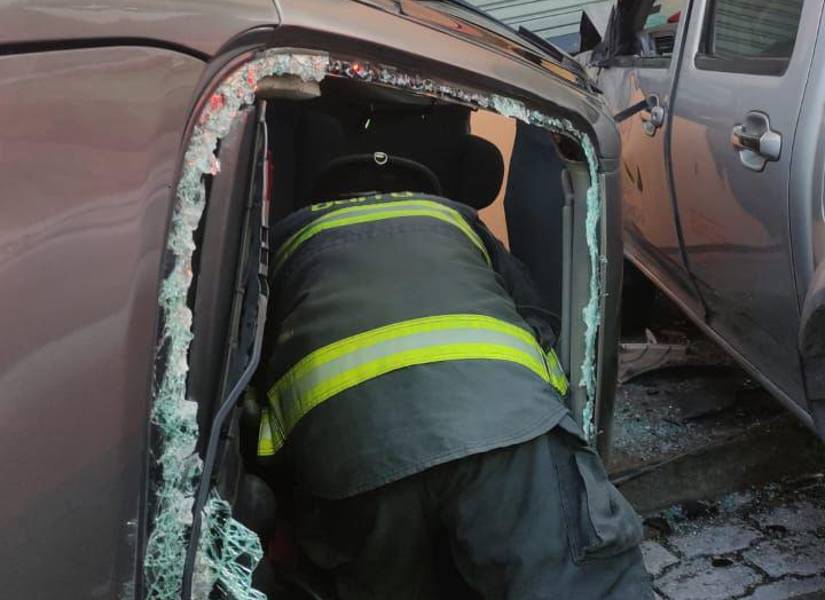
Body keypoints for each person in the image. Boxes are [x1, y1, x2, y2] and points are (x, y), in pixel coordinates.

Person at [253, 146, 651, 599]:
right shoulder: (454, 218)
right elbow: (538, 318)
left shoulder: (285, 241)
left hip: (355, 455)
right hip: (506, 431)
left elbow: (250, 371)